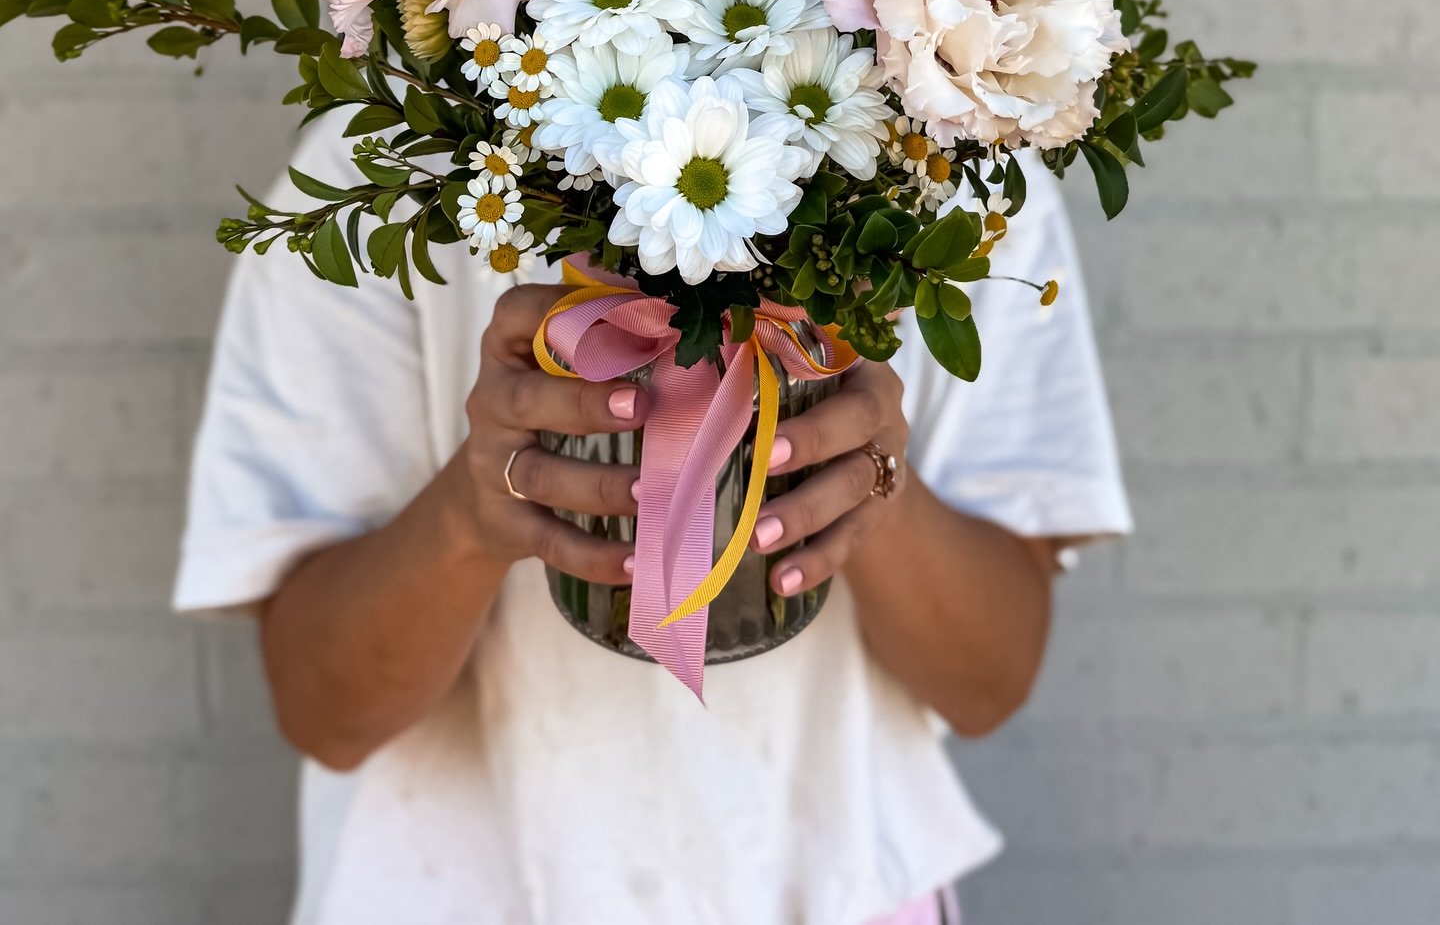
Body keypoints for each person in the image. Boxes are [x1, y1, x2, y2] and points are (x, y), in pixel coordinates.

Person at [175, 118, 1130, 924]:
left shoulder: (958, 162)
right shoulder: (378, 164)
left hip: (830, 885)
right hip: (455, 885)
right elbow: (323, 708)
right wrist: (470, 515)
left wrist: (877, 484)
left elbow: (988, 683)